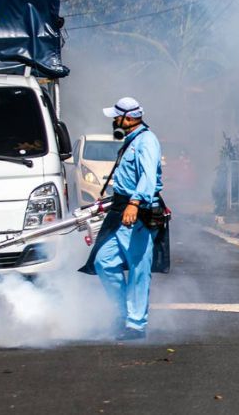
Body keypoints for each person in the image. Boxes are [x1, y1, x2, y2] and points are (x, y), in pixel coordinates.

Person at [79, 96, 163, 341]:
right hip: (122, 209)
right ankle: (124, 314)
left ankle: (136, 325)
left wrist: (134, 203)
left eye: (117, 116)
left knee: (138, 269)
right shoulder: (132, 140)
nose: (114, 120)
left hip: (138, 212)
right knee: (104, 262)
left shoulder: (147, 141)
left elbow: (148, 177)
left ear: (128, 118)